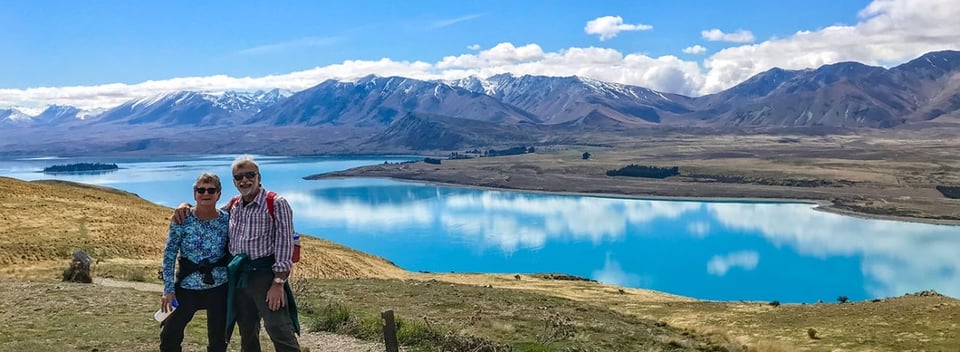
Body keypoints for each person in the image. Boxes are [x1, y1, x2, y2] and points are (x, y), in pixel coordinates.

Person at [173, 155, 300, 352]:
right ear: (234, 181)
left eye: (250, 175)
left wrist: (278, 283)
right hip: (238, 276)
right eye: (239, 177)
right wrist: (186, 206)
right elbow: (208, 212)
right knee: (247, 329)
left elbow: (285, 244)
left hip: (265, 275)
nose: (244, 180)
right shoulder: (234, 204)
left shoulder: (276, 203)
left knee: (278, 328)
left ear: (259, 177)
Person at [160, 172, 230, 352]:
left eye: (211, 190)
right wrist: (168, 290)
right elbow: (169, 254)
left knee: (218, 340)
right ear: (194, 193)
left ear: (219, 194)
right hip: (186, 286)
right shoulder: (182, 219)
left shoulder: (226, 220)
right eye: (201, 190)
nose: (205, 194)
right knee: (169, 334)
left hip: (218, 287)